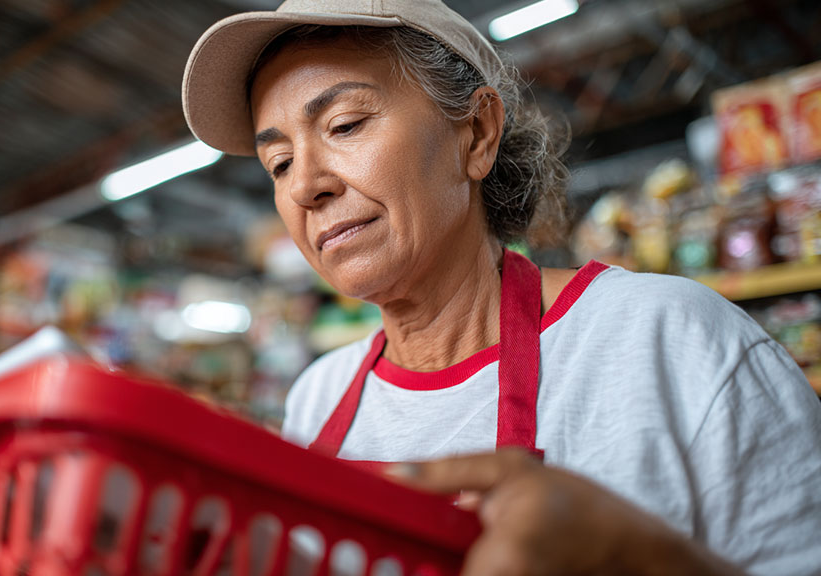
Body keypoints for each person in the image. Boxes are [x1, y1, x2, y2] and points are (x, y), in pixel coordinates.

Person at [182, 1, 821, 574]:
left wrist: (637, 556)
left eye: (345, 125)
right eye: (280, 163)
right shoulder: (316, 399)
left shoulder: (668, 339)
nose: (304, 187)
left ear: (477, 135)